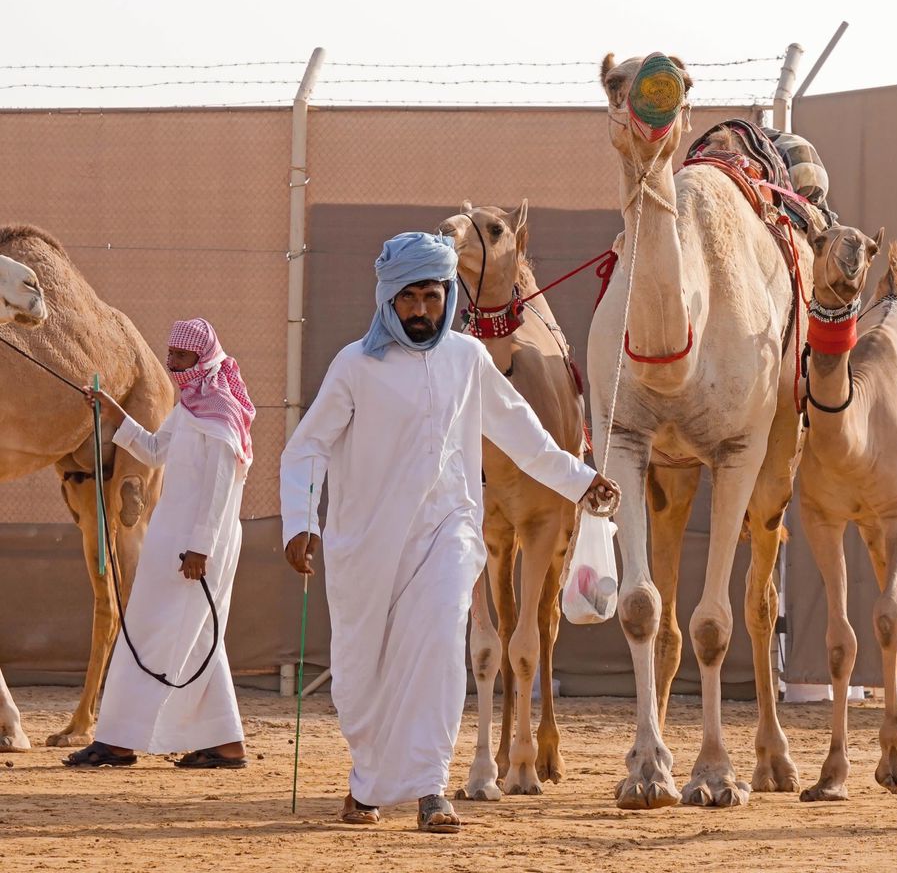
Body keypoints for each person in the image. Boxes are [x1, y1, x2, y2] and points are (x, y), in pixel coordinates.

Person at [279, 232, 618, 834]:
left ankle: (431, 787)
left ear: (448, 298)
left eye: (431, 297)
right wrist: (301, 523)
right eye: (408, 298)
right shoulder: (356, 366)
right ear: (388, 299)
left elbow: (523, 432)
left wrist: (580, 481)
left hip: (447, 533)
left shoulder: (467, 359)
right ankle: (367, 780)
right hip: (368, 542)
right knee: (365, 673)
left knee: (439, 648)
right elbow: (307, 448)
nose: (420, 311)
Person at [64, 319, 254, 770]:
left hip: (197, 546)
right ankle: (226, 744)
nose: (173, 364)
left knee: (149, 631)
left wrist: (201, 547)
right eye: (170, 354)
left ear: (203, 358)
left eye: (182, 357)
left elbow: (221, 489)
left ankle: (116, 741)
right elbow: (153, 451)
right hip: (174, 537)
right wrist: (115, 415)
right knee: (197, 636)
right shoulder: (190, 407)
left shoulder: (222, 413)